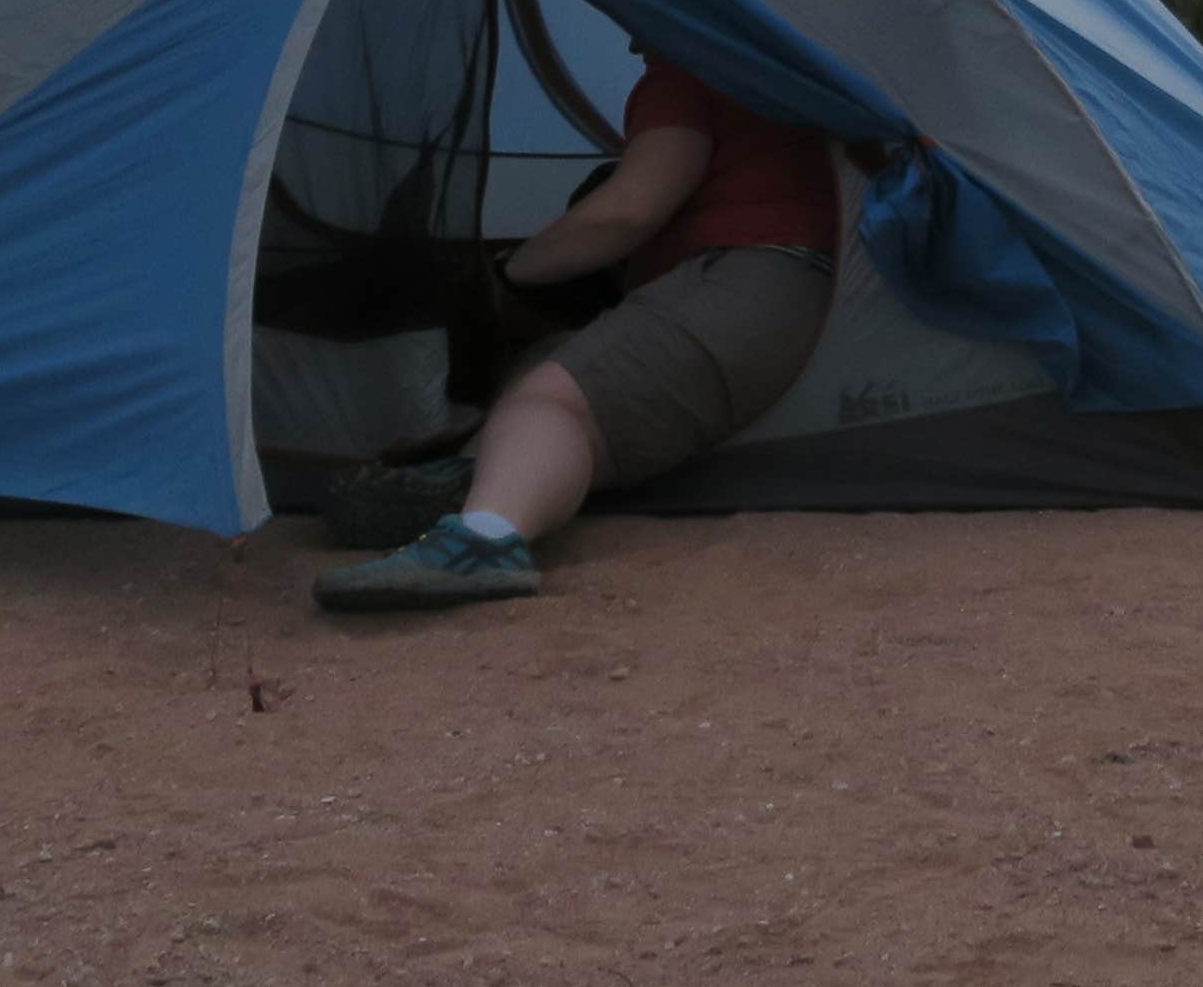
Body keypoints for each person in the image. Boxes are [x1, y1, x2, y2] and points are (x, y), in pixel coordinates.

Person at [316, 55, 842, 614]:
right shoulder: (762, 67)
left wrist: (510, 269)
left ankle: (486, 535)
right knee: (553, 361)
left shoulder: (686, 72)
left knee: (552, 403)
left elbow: (630, 209)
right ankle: (475, 472)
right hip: (799, 291)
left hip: (741, 278)